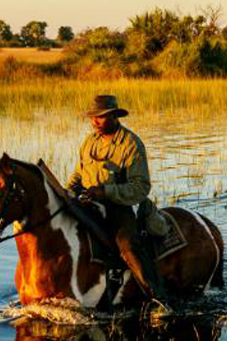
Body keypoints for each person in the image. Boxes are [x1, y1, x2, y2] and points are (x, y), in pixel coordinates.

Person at [66, 95, 168, 300]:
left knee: (128, 245)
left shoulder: (131, 144)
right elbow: (79, 174)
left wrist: (106, 192)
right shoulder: (90, 141)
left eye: (101, 117)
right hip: (90, 204)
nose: (95, 122)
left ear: (114, 116)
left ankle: (158, 298)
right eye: (92, 117)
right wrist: (67, 192)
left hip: (122, 208)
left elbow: (141, 187)